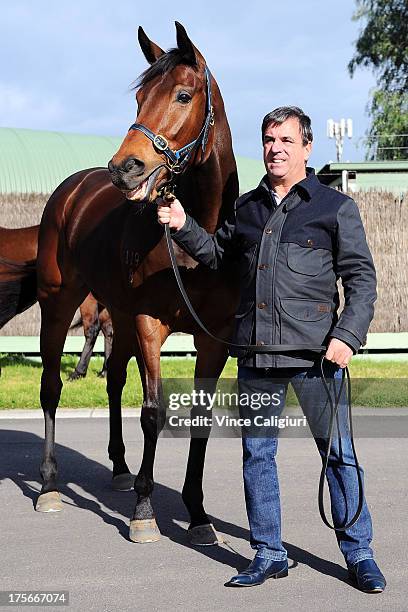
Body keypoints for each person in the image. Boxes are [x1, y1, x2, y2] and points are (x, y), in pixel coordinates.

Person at [157, 106, 386, 593]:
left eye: (285, 140)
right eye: (268, 139)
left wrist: (347, 336)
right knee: (257, 457)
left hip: (317, 360)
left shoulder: (334, 207)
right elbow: (219, 258)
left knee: (339, 456)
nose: (275, 148)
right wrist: (182, 224)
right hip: (256, 357)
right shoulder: (246, 209)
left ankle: (359, 552)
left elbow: (362, 281)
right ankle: (269, 553)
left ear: (306, 147)